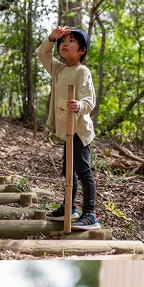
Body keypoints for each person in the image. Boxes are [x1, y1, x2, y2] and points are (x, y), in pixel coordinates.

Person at [37, 26, 100, 230]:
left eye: (71, 41)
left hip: (80, 130)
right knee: (68, 170)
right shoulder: (59, 69)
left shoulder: (83, 71)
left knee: (83, 171)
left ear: (82, 50)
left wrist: (79, 105)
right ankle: (69, 207)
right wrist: (51, 37)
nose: (65, 43)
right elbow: (42, 53)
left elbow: (89, 100)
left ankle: (90, 214)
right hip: (67, 130)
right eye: (63, 41)